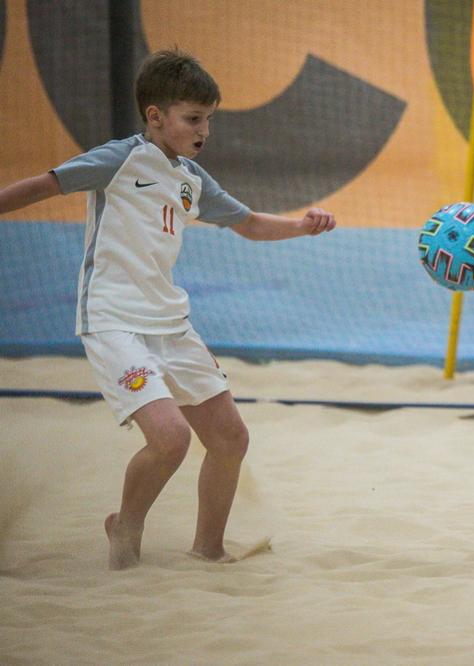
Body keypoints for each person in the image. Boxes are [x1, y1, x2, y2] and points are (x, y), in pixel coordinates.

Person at [0, 49, 336, 570]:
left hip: (171, 324)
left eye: (209, 120)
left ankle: (208, 549)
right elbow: (44, 184)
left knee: (230, 439)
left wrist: (302, 226)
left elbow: (248, 223)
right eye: (193, 118)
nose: (204, 131)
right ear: (155, 116)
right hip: (114, 322)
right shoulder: (120, 159)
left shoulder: (191, 179)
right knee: (171, 439)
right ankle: (125, 529)